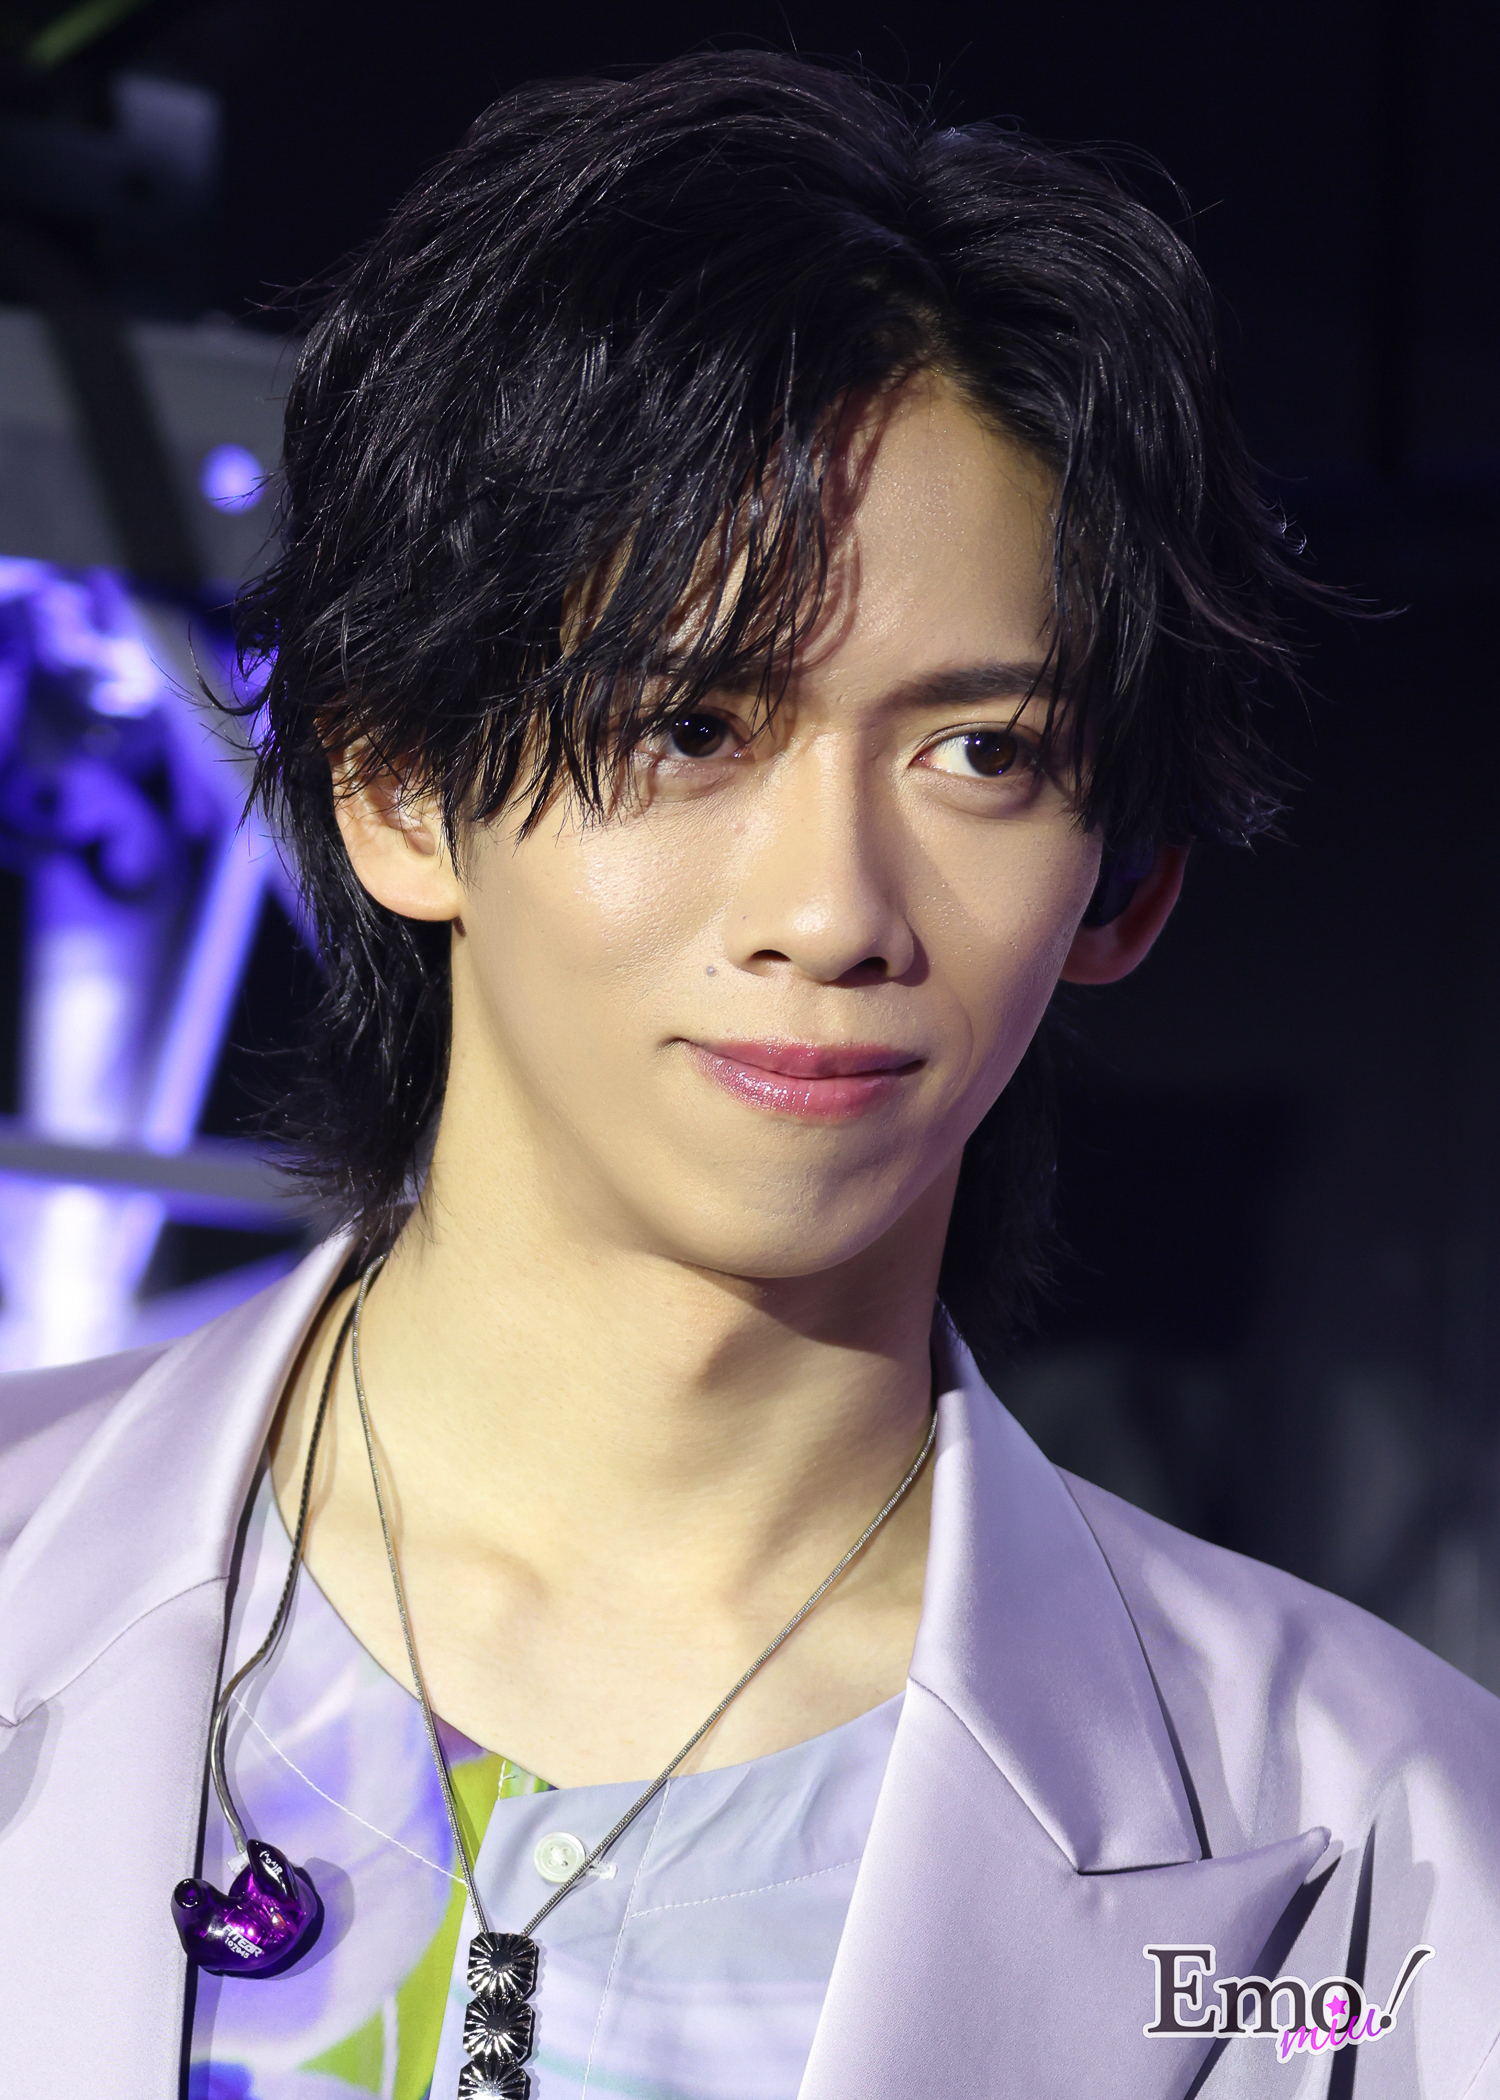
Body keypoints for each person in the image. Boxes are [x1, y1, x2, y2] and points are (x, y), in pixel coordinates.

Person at [0, 51, 1495, 2100]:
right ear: (396, 784)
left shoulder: (1395, 1870)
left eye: (982, 754)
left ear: (1127, 882)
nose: (832, 909)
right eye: (690, 727)